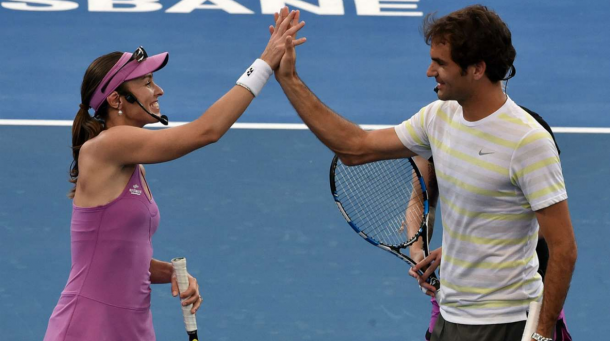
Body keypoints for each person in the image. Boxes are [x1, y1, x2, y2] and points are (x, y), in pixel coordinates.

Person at [273, 5, 576, 341]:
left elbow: (563, 247)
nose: (430, 71)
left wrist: (542, 334)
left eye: (441, 63)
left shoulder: (528, 141)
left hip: (504, 321)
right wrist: (289, 80)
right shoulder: (438, 117)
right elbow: (355, 147)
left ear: (477, 69)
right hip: (450, 314)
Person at [43, 8, 305, 340]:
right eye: (147, 83)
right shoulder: (108, 145)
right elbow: (205, 131)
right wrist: (264, 64)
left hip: (131, 326)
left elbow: (117, 252)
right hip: (88, 325)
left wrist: (170, 273)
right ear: (116, 99)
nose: (159, 91)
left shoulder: (129, 160)